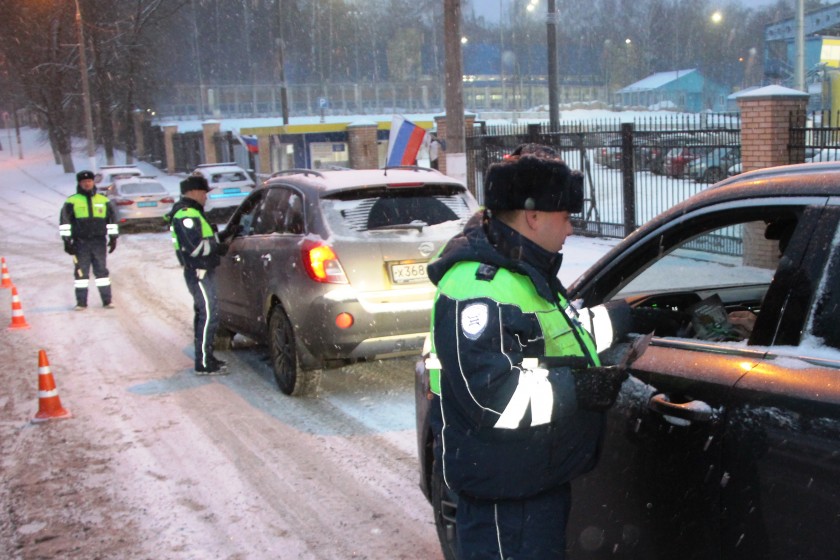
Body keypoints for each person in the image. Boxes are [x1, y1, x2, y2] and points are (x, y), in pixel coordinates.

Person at [426, 144, 629, 559]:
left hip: (531, 482)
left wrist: (631, 316)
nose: (571, 229)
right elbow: (493, 396)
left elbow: (557, 339)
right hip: (506, 497)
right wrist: (580, 388)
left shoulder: (520, 272)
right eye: (566, 217)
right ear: (533, 216)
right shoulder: (478, 290)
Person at [165, 175, 236, 375]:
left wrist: (224, 236)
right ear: (194, 192)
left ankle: (206, 358)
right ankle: (204, 362)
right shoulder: (185, 215)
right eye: (204, 193)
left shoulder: (194, 212)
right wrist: (220, 247)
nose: (206, 197)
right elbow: (195, 247)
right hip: (199, 271)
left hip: (202, 270)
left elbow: (204, 239)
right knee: (208, 316)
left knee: (205, 314)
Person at [59, 170, 119, 310]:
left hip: (99, 241)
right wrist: (67, 241)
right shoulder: (72, 201)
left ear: (93, 182)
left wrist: (113, 238)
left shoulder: (103, 200)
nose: (87, 184)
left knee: (102, 272)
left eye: (89, 181)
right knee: (81, 273)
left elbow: (111, 220)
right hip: (80, 242)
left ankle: (107, 301)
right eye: (84, 182)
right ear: (80, 184)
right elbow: (65, 222)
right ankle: (81, 302)